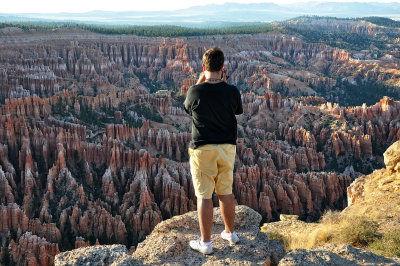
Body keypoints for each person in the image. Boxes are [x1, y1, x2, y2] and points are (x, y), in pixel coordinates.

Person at [184, 47, 243, 255]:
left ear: (203, 67)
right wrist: (224, 85)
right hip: (227, 149)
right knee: (225, 192)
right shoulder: (232, 90)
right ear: (223, 68)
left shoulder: (195, 91)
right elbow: (237, 109)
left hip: (202, 149)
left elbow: (187, 108)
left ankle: (206, 243)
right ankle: (229, 232)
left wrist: (200, 82)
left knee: (204, 196)